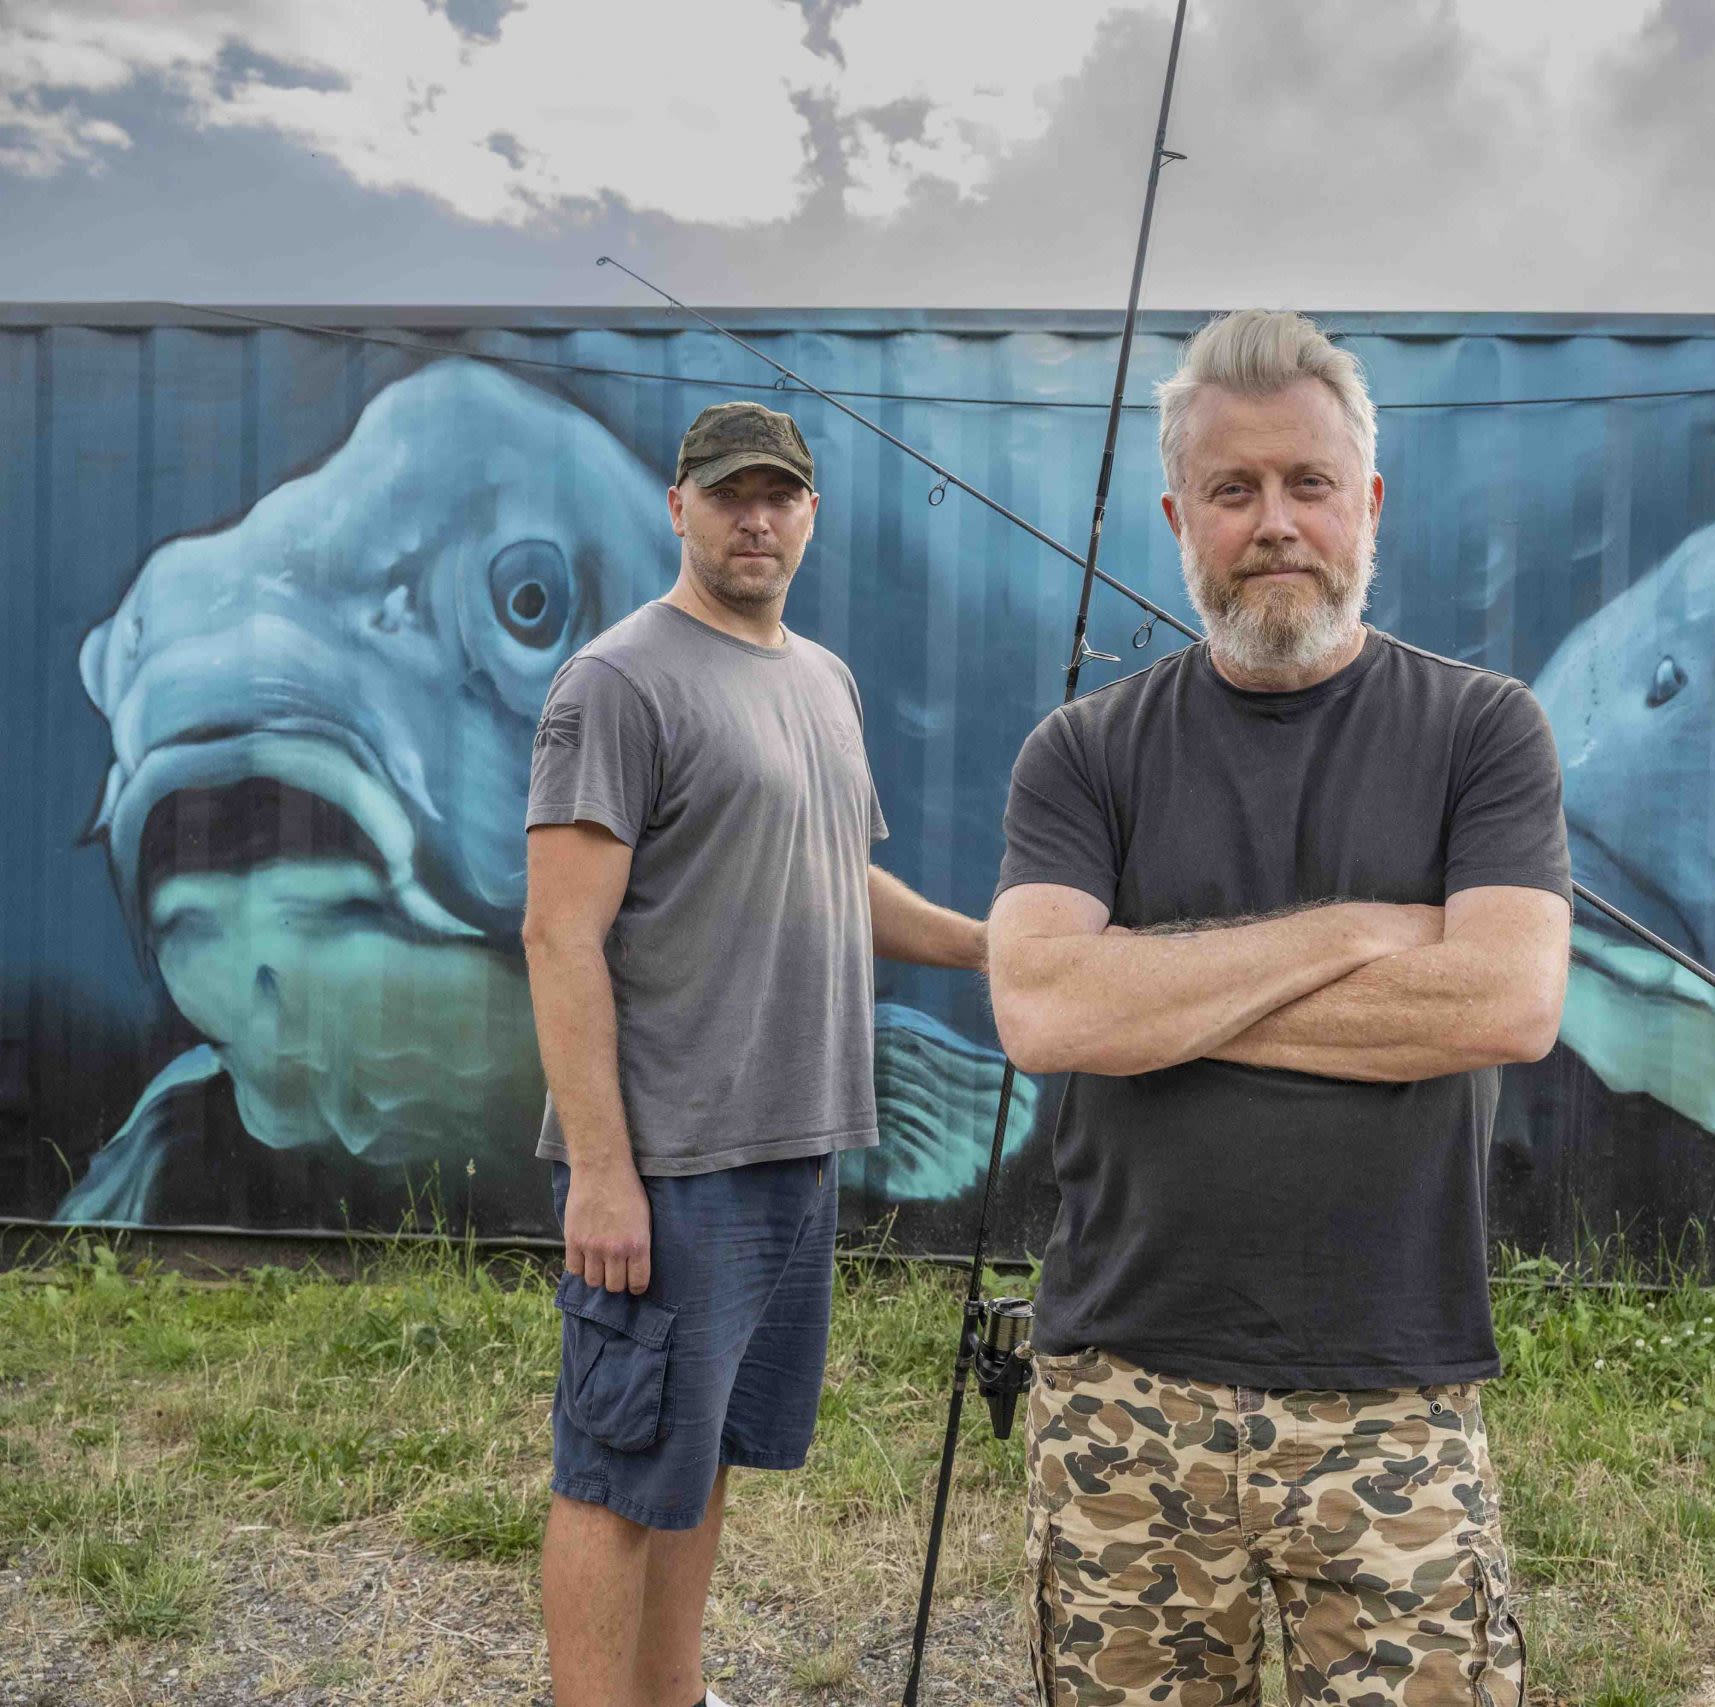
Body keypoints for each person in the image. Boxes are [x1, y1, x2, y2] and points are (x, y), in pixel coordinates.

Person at [987, 309, 1571, 1706]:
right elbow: (1049, 1014)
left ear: (1365, 503)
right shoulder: (1082, 755)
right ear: (1179, 516)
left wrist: (1163, 992)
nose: (1275, 523)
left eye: (1309, 484)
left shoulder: (1483, 733)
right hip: (1123, 1390)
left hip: (1393, 1394)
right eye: (1235, 491)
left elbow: (1502, 1001)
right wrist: (1355, 935)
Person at [521, 401, 984, 1707]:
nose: (756, 517)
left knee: (702, 1458)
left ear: (812, 515)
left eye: (780, 495)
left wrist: (995, 948)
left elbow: (842, 881)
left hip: (795, 1147)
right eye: (729, 494)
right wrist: (602, 1178)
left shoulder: (821, 682)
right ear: (679, 507)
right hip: (671, 1165)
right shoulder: (618, 681)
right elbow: (559, 937)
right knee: (614, 1475)